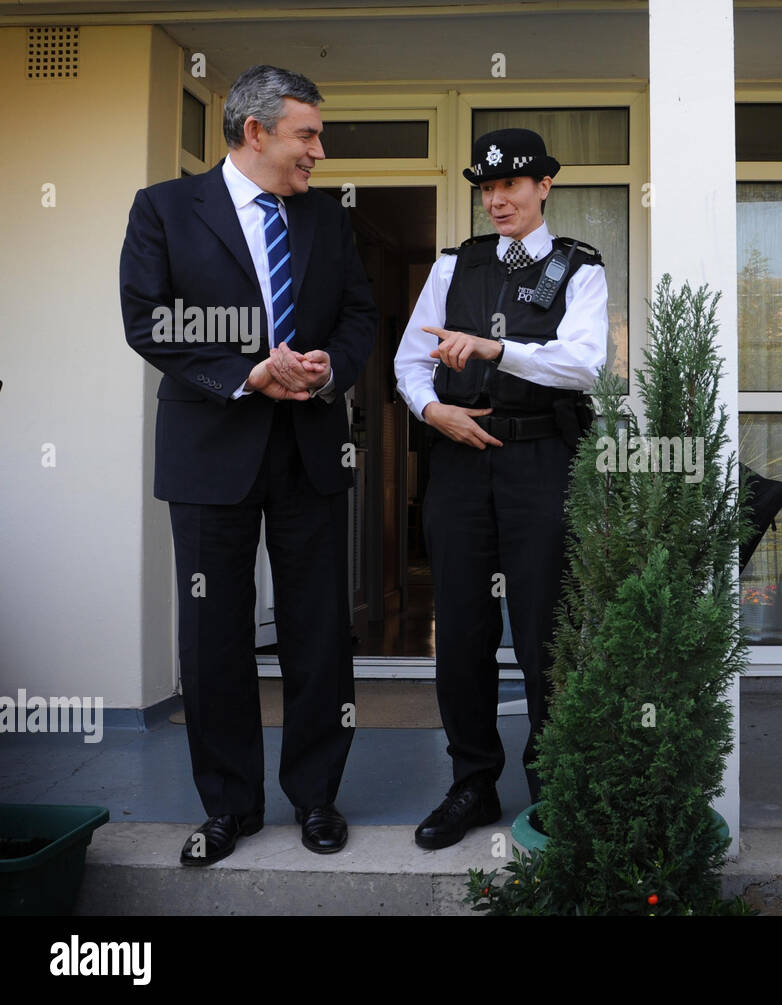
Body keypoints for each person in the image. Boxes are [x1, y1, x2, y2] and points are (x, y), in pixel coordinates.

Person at [120, 64, 377, 865]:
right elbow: (147, 317)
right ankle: (229, 807)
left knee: (318, 633)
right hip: (209, 454)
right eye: (307, 134)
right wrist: (244, 373)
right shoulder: (165, 208)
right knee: (214, 638)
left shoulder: (328, 219)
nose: (319, 152)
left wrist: (328, 367)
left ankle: (317, 798)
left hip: (308, 451)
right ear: (255, 132)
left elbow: (362, 313)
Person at [394, 127, 608, 849]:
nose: (497, 199)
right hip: (458, 461)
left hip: (538, 462)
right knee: (459, 628)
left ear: (545, 185)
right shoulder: (455, 266)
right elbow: (409, 358)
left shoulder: (580, 268)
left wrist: (497, 347)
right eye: (487, 187)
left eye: (511, 185)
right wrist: (433, 409)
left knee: (546, 629)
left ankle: (554, 786)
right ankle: (472, 784)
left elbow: (582, 365)